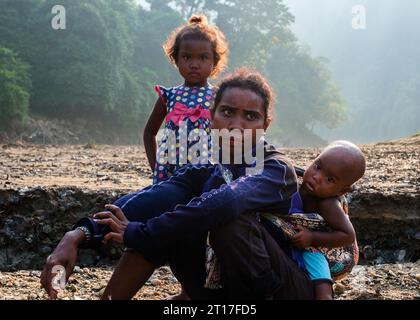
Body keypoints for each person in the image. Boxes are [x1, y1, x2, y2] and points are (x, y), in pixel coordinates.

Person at [40, 69, 314, 300]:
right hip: (222, 290)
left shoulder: (276, 169)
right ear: (211, 116)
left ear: (266, 124)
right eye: (228, 112)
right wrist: (77, 235)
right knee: (167, 215)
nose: (236, 125)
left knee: (229, 222)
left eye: (251, 117)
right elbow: (148, 200)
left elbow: (227, 202)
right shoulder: (206, 170)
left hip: (283, 289)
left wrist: (140, 233)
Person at [143, 14, 228, 184]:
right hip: (171, 178)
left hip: (207, 177)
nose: (194, 64)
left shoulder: (220, 98)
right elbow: (149, 132)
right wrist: (157, 168)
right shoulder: (169, 96)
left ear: (214, 61)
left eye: (203, 57)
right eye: (187, 57)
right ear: (175, 59)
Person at [277, 141, 365, 299]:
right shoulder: (295, 179)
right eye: (318, 167)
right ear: (315, 159)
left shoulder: (328, 204)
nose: (317, 177)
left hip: (319, 246)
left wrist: (312, 238)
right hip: (292, 234)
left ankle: (325, 295)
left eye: (330, 179)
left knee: (317, 268)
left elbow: (348, 235)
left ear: (342, 190)